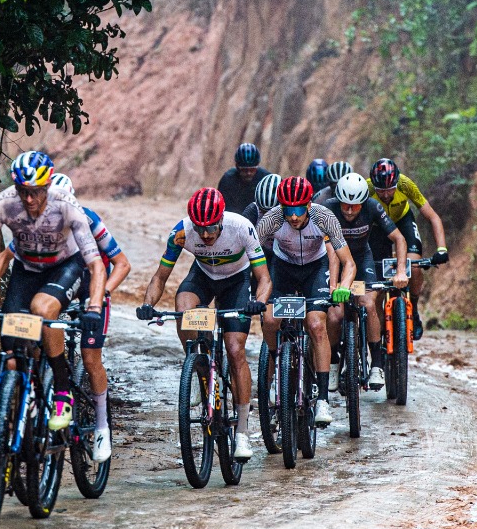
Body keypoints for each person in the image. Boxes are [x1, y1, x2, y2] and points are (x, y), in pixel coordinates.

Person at [0, 151, 106, 432]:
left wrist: (94, 306)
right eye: (23, 192)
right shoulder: (5, 203)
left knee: (43, 310)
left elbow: (95, 264)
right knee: (11, 351)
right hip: (27, 269)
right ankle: (26, 402)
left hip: (65, 266)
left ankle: (61, 391)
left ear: (47, 186)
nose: (29, 199)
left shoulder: (66, 205)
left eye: (35, 192)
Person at [0, 172, 129, 461]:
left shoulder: (88, 219)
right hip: (57, 286)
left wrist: (100, 297)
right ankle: (34, 398)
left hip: (88, 289)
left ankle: (101, 426)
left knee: (90, 357)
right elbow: (7, 256)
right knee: (34, 335)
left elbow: (121, 264)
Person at [135, 188, 271, 457]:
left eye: (211, 228)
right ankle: (199, 368)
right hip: (203, 275)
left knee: (235, 350)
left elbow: (264, 278)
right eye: (201, 229)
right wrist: (148, 305)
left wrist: (259, 301)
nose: (206, 235)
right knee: (183, 306)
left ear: (221, 219)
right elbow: (160, 276)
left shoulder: (241, 228)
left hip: (237, 281)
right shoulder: (182, 232)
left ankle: (242, 431)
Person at [256, 175, 355, 428]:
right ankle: (276, 363)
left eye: (299, 210)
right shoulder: (272, 219)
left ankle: (322, 399)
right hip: (284, 268)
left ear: (309, 206)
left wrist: (342, 287)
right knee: (269, 319)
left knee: (316, 324)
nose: (293, 217)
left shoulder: (324, 217)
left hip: (315, 268)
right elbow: (250, 253)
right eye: (288, 210)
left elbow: (349, 262)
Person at [320, 172, 408, 393]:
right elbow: (329, 251)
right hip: (334, 261)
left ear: (363, 203)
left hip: (361, 259)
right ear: (338, 200)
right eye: (345, 206)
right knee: (335, 314)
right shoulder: (327, 209)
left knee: (368, 304)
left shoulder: (372, 207)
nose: (350, 211)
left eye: (355, 206)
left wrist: (400, 272)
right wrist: (334, 286)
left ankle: (376, 364)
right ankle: (332, 361)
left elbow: (399, 238)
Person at [368, 157, 450, 339]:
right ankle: (379, 335)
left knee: (413, 266)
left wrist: (442, 248)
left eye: (390, 189)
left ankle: (412, 308)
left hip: (403, 222)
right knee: (379, 282)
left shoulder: (405, 184)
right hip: (377, 228)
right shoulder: (367, 189)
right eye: (382, 191)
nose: (387, 194)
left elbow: (434, 217)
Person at [215, 142, 266, 215]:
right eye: (245, 170)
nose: (249, 173)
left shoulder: (265, 179)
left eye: (252, 170)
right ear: (237, 167)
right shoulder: (227, 180)